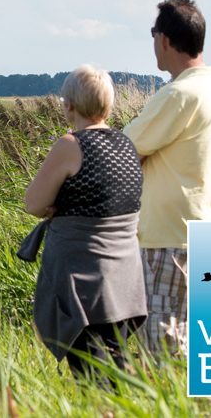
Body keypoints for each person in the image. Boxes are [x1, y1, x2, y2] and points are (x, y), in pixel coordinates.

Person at [22, 64, 147, 378]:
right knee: (114, 366)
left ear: (70, 105)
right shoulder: (126, 145)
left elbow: (33, 204)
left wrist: (58, 203)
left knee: (93, 375)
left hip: (83, 282)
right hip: (125, 281)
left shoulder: (70, 145)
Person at [122, 0, 211, 356]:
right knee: (190, 349)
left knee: (163, 352)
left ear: (164, 39)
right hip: (202, 235)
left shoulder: (179, 94)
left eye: (153, 34)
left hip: (169, 241)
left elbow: (122, 151)